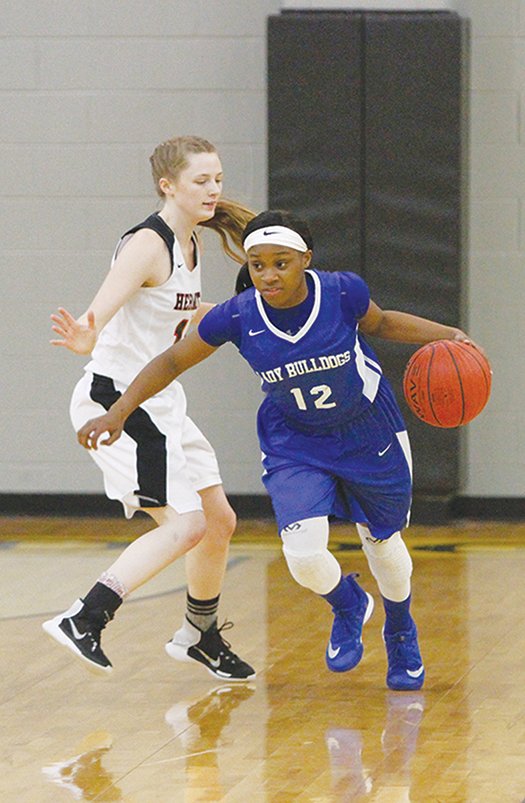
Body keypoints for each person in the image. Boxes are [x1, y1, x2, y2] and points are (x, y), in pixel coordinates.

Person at [73, 209, 483, 691]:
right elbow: (170, 361)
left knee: (383, 543)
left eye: (281, 263)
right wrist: (118, 411)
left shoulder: (342, 291)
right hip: (296, 442)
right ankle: (349, 604)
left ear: (305, 259)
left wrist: (449, 335)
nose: (267, 274)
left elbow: (385, 322)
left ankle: (400, 629)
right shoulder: (239, 316)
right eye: (257, 264)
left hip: (368, 431)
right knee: (304, 556)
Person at [42, 135, 257, 682]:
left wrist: (243, 312)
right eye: (200, 180)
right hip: (117, 399)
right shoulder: (147, 244)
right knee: (186, 526)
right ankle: (85, 616)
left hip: (162, 403)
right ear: (169, 185)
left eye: (218, 179)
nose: (213, 190)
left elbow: (178, 315)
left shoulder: (191, 245)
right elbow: (98, 315)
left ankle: (199, 636)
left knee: (218, 522)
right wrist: (84, 338)